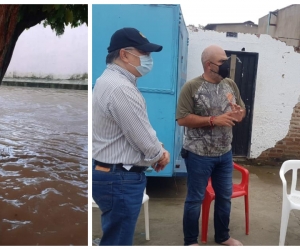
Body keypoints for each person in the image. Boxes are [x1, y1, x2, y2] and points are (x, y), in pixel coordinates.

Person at [92, 27, 170, 246]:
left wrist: (157, 148)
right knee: (119, 241)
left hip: (112, 175)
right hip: (120, 179)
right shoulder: (120, 88)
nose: (148, 58)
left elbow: (134, 129)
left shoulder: (108, 81)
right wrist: (159, 154)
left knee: (114, 234)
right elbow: (143, 138)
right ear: (124, 54)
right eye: (143, 53)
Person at [176, 45, 246, 246]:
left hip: (225, 153)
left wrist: (239, 113)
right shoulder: (192, 87)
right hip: (198, 154)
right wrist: (214, 120)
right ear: (209, 65)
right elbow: (182, 119)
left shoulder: (230, 85)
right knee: (195, 199)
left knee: (224, 197)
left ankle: (223, 236)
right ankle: (190, 241)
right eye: (222, 62)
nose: (226, 65)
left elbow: (241, 113)